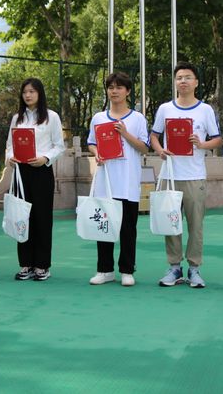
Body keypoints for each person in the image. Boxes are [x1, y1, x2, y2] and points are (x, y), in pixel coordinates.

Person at [150, 61, 222, 288]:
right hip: (170, 175)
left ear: (196, 82)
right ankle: (174, 267)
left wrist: (202, 144)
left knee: (195, 225)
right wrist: (160, 150)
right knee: (171, 223)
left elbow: (217, 139)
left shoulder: (205, 110)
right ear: (175, 82)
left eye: (188, 77)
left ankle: (194, 269)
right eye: (179, 77)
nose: (183, 81)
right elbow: (154, 136)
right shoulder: (165, 109)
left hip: (194, 176)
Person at [86, 72, 149, 286]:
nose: (114, 91)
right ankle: (104, 270)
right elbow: (92, 143)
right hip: (106, 182)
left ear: (128, 91)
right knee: (104, 226)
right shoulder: (98, 118)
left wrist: (125, 133)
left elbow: (144, 148)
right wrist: (96, 154)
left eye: (119, 87)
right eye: (111, 87)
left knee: (128, 229)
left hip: (128, 182)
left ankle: (127, 270)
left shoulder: (137, 119)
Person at [5, 78, 65, 282]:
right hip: (21, 173)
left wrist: (45, 158)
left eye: (32, 91)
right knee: (21, 217)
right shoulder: (17, 118)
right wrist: (10, 158)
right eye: (24, 92)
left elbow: (59, 146)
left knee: (42, 218)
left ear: (40, 93)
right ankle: (25, 264)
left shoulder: (51, 117)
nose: (28, 95)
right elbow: (9, 146)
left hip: (41, 171)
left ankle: (41, 265)